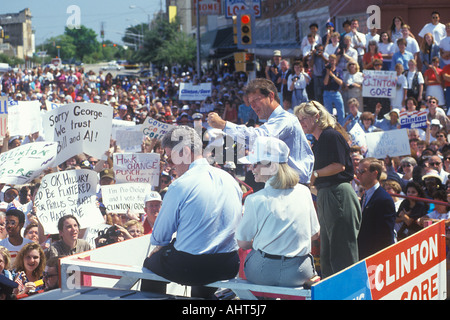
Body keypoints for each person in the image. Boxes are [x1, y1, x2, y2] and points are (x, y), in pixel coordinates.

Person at [142, 126, 243, 299]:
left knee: (151, 263)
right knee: (197, 261)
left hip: (191, 266)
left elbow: (159, 237)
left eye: (170, 158)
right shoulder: (230, 180)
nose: (171, 166)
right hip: (229, 263)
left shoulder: (180, 185)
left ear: (185, 152)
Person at [236, 136, 320, 286]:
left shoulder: (255, 200)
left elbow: (242, 243)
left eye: (255, 164)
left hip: (263, 272)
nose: (251, 168)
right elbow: (314, 234)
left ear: (273, 167)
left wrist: (265, 242)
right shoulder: (304, 192)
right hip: (300, 271)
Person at [294, 101, 361, 278]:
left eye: (304, 119)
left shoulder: (331, 135)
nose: (302, 123)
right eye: (299, 120)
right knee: (329, 252)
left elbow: (339, 166)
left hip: (337, 193)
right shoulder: (319, 141)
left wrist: (315, 174)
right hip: (326, 193)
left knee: (341, 251)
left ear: (317, 117)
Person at [207, 78, 315, 184]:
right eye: (250, 102)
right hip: (287, 184)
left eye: (256, 100)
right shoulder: (277, 121)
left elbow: (260, 138)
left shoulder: (285, 119)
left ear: (271, 96)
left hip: (293, 185)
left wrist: (223, 125)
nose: (253, 106)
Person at [357, 157, 396, 259]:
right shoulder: (366, 195)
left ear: (374, 173)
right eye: (358, 171)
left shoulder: (384, 199)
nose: (358, 175)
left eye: (362, 171)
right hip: (363, 255)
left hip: (376, 259)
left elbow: (385, 236)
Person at [323, 54, 345, 125]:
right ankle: (330, 126)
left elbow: (340, 82)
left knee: (341, 112)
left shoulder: (339, 70)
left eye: (333, 60)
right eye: (330, 60)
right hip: (327, 93)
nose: (331, 62)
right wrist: (327, 73)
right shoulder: (325, 70)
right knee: (328, 113)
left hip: (336, 92)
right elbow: (325, 83)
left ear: (335, 61)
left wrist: (332, 75)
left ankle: (341, 127)